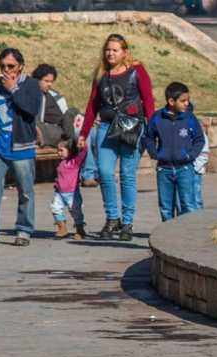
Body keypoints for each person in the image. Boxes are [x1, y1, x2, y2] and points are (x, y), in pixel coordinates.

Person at [78, 33, 155, 240]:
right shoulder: (101, 73)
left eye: (115, 50)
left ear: (124, 52)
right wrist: (84, 133)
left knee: (128, 175)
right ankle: (113, 218)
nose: (110, 53)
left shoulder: (137, 70)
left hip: (131, 127)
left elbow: (148, 100)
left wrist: (153, 128)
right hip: (106, 127)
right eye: (108, 49)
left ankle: (127, 223)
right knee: (104, 172)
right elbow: (92, 105)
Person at [0, 48, 42, 248]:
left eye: (11, 66)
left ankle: (24, 230)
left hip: (22, 146)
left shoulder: (31, 85)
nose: (6, 70)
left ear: (20, 66)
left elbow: (31, 109)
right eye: (2, 65)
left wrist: (13, 89)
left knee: (26, 191)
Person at [143, 82, 204, 222]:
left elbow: (199, 139)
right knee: (166, 207)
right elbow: (148, 137)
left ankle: (187, 233)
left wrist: (190, 155)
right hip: (164, 170)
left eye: (188, 100)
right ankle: (168, 234)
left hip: (185, 169)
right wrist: (155, 153)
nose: (187, 103)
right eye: (183, 101)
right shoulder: (157, 118)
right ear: (171, 101)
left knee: (188, 205)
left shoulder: (190, 118)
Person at [31, 64, 83, 151]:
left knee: (71, 113)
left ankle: (70, 141)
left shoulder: (51, 94)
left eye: (51, 81)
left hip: (65, 124)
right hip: (54, 128)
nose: (49, 84)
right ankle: (69, 142)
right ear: (37, 80)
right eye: (46, 81)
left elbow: (65, 115)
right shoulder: (34, 94)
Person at [51, 137, 87, 239]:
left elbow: (83, 153)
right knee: (55, 208)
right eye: (58, 150)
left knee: (76, 212)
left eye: (61, 150)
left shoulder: (75, 162)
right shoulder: (61, 163)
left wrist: (84, 145)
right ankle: (62, 228)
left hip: (72, 193)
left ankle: (80, 230)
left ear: (70, 150)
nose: (59, 153)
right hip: (59, 193)